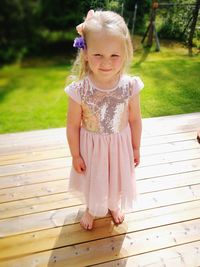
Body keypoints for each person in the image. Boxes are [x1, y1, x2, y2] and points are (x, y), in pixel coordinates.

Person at [64, 9, 144, 230]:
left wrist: (135, 148)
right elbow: (72, 126)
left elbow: (135, 120)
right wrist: (75, 154)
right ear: (86, 53)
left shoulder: (130, 86)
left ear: (124, 53)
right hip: (92, 147)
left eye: (114, 55)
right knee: (95, 178)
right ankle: (92, 208)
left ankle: (113, 205)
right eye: (98, 55)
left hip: (120, 144)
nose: (106, 62)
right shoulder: (79, 90)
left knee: (116, 177)